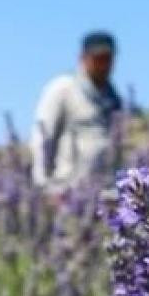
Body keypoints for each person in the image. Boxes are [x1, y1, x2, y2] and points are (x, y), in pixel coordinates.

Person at [30, 31, 123, 191]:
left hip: (104, 191)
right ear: (83, 58)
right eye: (98, 58)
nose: (103, 65)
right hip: (67, 189)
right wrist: (43, 184)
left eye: (107, 59)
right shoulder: (63, 88)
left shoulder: (114, 98)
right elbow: (43, 136)